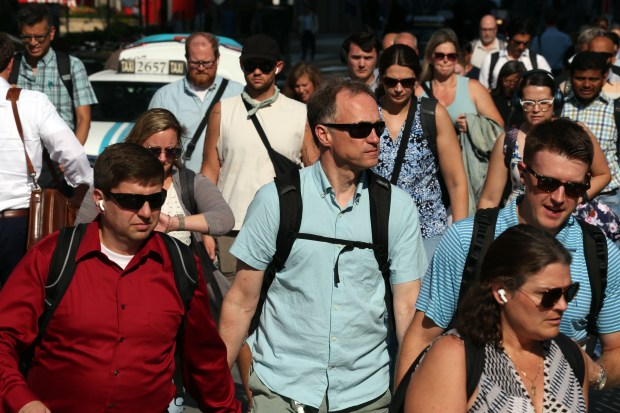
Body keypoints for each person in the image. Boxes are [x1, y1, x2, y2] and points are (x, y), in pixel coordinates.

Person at [218, 78, 427, 412]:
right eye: (360, 129)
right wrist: (216, 390)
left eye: (377, 127)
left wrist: (410, 395)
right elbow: (241, 301)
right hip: (281, 388)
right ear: (323, 133)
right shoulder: (276, 201)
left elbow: (407, 310)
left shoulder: (396, 208)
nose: (374, 138)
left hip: (366, 394)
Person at [0, 142, 240, 413]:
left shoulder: (180, 265)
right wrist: (22, 401)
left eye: (156, 199)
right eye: (132, 200)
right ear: (100, 199)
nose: (147, 212)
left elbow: (205, 361)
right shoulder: (54, 257)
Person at [395, 118, 620, 394]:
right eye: (548, 183)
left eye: (573, 188)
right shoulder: (467, 240)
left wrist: (596, 375)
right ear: (523, 175)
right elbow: (422, 335)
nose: (559, 198)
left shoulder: (600, 253)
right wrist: (402, 400)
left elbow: (616, 349)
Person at [405, 225, 587, 412]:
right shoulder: (454, 356)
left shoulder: (569, 355)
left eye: (569, 292)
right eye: (550, 295)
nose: (563, 305)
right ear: (502, 292)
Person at [76, 108, 234, 260]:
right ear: (136, 144)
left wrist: (174, 223)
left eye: (172, 151)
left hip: (177, 281)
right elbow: (81, 234)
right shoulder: (111, 181)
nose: (163, 159)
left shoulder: (191, 183)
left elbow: (224, 219)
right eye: (154, 151)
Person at [0, 32, 92, 283]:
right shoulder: (32, 102)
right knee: (19, 306)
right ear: (10, 64)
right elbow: (72, 154)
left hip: (17, 222)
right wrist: (80, 191)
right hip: (18, 225)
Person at [373, 44, 468, 259]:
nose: (398, 88)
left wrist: (459, 238)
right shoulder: (368, 113)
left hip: (427, 231)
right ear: (381, 78)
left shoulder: (432, 113)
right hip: (375, 230)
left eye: (407, 82)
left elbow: (457, 181)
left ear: (416, 79)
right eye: (391, 81)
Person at [479, 70, 610, 211]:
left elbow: (603, 174)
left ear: (556, 100)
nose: (536, 109)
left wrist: (576, 198)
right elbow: (490, 198)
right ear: (519, 102)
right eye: (528, 103)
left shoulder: (576, 132)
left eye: (544, 102)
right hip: (518, 221)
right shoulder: (508, 140)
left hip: (563, 214)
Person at [149, 32, 244, 172]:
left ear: (218, 59)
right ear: (186, 59)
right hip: (179, 184)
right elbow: (149, 145)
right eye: (195, 62)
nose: (201, 68)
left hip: (226, 185)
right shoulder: (165, 96)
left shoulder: (238, 93)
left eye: (206, 63)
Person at [12, 4, 96, 144]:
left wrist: (71, 155)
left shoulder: (72, 66)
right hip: (21, 159)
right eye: (26, 37)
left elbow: (84, 119)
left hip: (58, 158)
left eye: (39, 37)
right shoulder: (11, 65)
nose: (33, 43)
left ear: (51, 33)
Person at [561, 51, 620, 221]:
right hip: (568, 196)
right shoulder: (560, 108)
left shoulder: (615, 110)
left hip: (609, 197)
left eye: (593, 79)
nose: (586, 84)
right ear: (571, 77)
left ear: (604, 77)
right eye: (580, 78)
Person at [418, 28, 504, 133]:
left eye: (451, 56)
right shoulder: (418, 92)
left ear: (456, 58)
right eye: (440, 56)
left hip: (466, 149)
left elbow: (498, 125)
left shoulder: (474, 88)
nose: (446, 60)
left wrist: (474, 125)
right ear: (430, 58)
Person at [479, 17, 552, 89]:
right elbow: (482, 91)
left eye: (525, 43)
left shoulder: (538, 61)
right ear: (508, 37)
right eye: (517, 43)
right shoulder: (490, 60)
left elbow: (549, 88)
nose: (521, 47)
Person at [531, 9, 572, 76]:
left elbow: (533, 54)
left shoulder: (538, 38)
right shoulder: (565, 38)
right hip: (560, 72)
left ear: (544, 20)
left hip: (543, 72)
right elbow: (570, 55)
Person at [490, 60, 527, 128]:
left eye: (514, 82)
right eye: (506, 81)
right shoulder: (491, 99)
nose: (510, 85)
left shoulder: (525, 101)